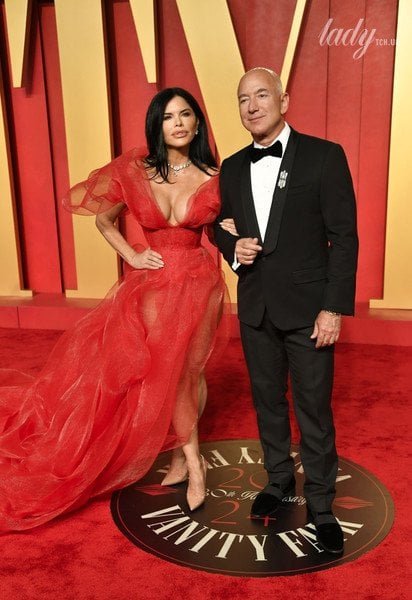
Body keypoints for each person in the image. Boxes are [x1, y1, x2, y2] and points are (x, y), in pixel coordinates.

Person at [0, 87, 228, 533]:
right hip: (155, 287)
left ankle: (182, 459)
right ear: (157, 125)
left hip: (200, 284)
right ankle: (195, 464)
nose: (178, 123)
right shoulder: (137, 172)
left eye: (186, 115)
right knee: (167, 372)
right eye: (168, 117)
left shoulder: (216, 176)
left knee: (190, 371)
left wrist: (230, 227)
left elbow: (220, 232)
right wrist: (133, 255)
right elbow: (104, 220)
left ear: (198, 123)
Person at [215, 67, 358, 555]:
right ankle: (278, 480)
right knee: (268, 402)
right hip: (256, 306)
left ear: (284, 100)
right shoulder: (232, 167)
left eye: (261, 95)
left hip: (309, 310)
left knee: (313, 408)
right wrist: (234, 249)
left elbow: (344, 238)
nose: (252, 106)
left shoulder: (324, 156)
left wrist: (333, 308)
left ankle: (321, 503)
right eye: (243, 99)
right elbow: (219, 226)